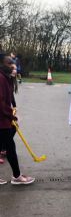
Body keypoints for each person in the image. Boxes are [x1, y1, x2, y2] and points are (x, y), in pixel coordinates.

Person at [0, 53, 34, 185]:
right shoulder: (1, 78)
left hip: (4, 120)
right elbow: (1, 103)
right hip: (2, 121)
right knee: (10, 147)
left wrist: (12, 111)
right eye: (10, 64)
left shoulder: (6, 78)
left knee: (9, 146)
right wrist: (12, 115)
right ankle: (17, 176)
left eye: (13, 64)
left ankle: (17, 175)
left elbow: (8, 99)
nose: (13, 67)